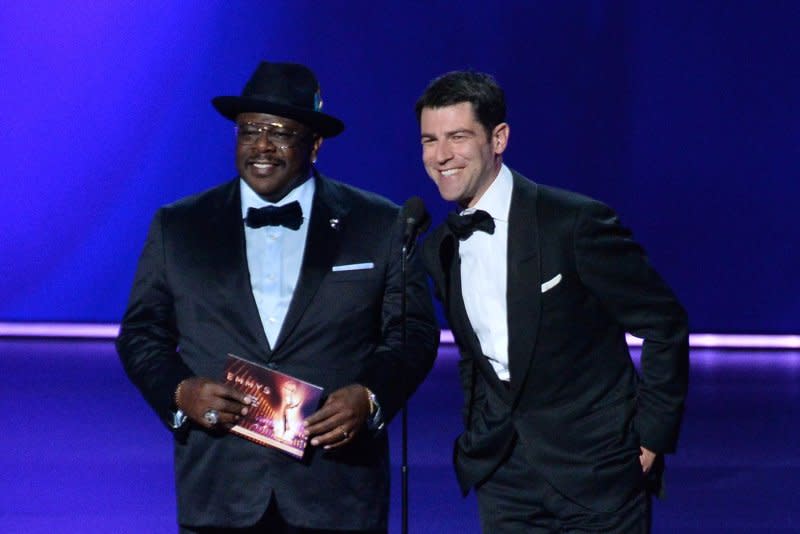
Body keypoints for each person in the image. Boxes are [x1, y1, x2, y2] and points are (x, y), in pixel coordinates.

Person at [117, 61, 438, 534]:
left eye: (280, 133)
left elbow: (411, 333)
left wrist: (370, 398)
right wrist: (180, 392)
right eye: (249, 131)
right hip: (221, 485)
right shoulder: (180, 226)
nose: (262, 147)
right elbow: (142, 333)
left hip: (336, 486)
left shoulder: (377, 224)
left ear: (315, 144)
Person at [416, 71, 689, 533]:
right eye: (429, 140)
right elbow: (474, 358)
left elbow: (664, 323)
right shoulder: (438, 247)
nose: (441, 155)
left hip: (598, 471)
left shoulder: (573, 223)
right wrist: (477, 434)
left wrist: (651, 439)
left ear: (498, 138)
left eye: (458, 137)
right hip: (504, 478)